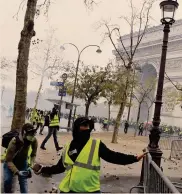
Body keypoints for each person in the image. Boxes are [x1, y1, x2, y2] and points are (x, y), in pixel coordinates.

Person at [33, 117, 147, 193]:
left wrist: (134, 158)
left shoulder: (96, 144)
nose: (86, 128)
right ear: (76, 128)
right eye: (83, 126)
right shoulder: (68, 147)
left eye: (88, 126)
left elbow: (112, 156)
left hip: (91, 190)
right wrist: (43, 169)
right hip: (69, 190)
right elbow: (60, 167)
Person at [3, 123, 38, 193]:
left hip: (22, 162)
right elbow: (8, 160)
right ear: (24, 134)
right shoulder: (14, 142)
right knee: (7, 180)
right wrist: (17, 172)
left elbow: (33, 155)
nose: (31, 138)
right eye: (30, 135)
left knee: (23, 184)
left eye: (33, 135)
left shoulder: (34, 140)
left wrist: (30, 165)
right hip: (10, 161)